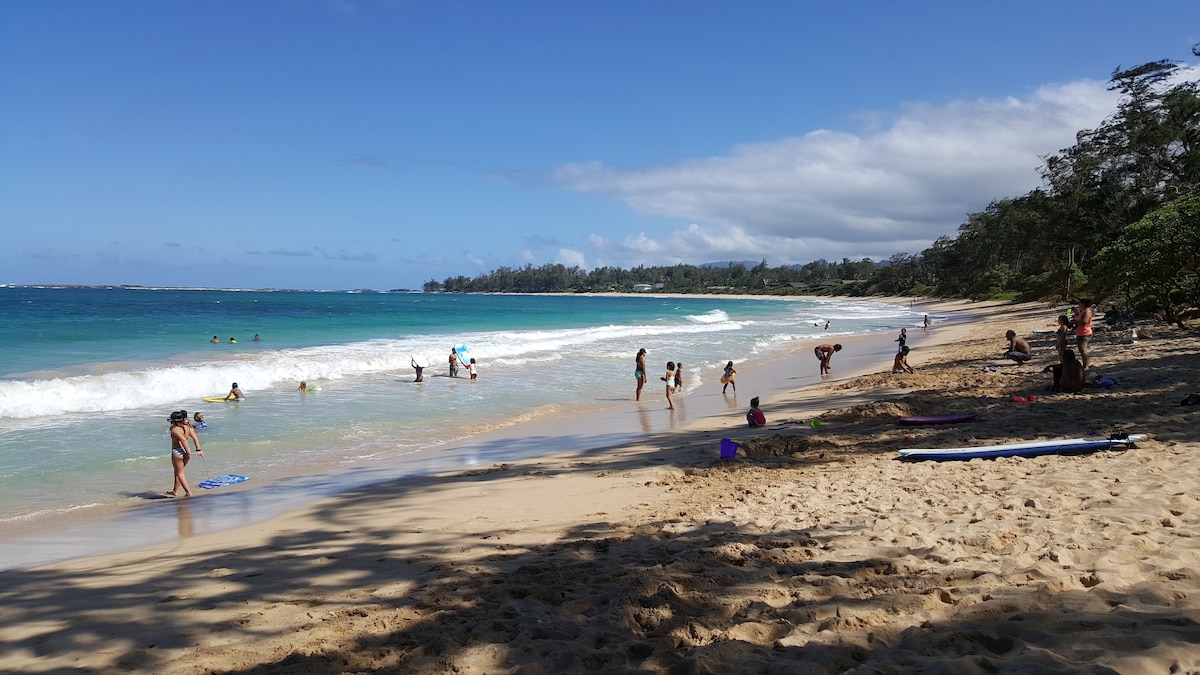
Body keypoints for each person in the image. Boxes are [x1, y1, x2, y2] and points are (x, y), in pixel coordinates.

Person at [167, 410, 202, 497]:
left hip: (178, 452)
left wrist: (187, 453)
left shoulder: (175, 429)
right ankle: (175, 491)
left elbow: (182, 440)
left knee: (180, 474)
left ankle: (188, 492)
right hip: (186, 451)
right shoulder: (188, 427)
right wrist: (198, 449)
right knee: (178, 472)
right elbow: (195, 437)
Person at [1074, 298, 1094, 371]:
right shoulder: (1083, 311)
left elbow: (1084, 322)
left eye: (1079, 304)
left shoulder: (1087, 312)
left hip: (1085, 333)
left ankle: (1086, 366)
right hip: (1080, 333)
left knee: (1083, 350)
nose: (1079, 305)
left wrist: (1074, 322)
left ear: (1083, 304)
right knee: (1081, 350)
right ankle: (1084, 364)